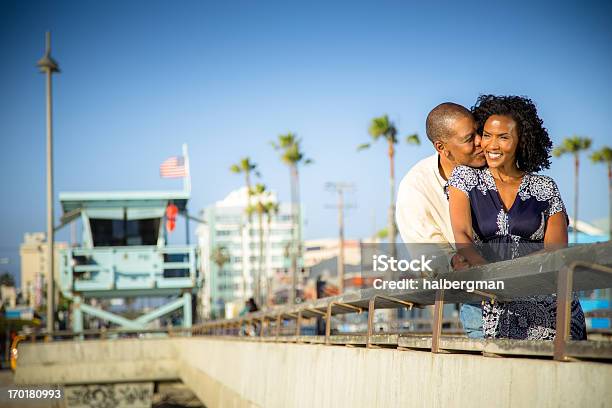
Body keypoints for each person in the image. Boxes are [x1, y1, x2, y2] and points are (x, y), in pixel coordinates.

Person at [446, 94, 586, 340]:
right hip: (496, 305)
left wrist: (512, 275)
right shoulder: (465, 180)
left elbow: (556, 250)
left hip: (551, 306)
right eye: (487, 135)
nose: (492, 145)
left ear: (521, 140)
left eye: (503, 137)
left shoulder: (546, 187)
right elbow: (462, 236)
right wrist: (492, 276)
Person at [396, 102, 486, 338]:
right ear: (442, 148)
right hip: (479, 297)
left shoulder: (494, 163)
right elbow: (428, 254)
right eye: (469, 139)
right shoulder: (415, 188)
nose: (480, 142)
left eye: (478, 132)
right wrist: (455, 262)